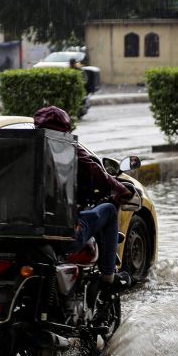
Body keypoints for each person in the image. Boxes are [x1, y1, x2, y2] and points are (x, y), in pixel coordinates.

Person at [33, 105, 133, 293]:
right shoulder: (64, 146)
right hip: (58, 232)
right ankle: (108, 277)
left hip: (12, 233)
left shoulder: (21, 148)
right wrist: (120, 190)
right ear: (65, 130)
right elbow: (95, 173)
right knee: (110, 211)